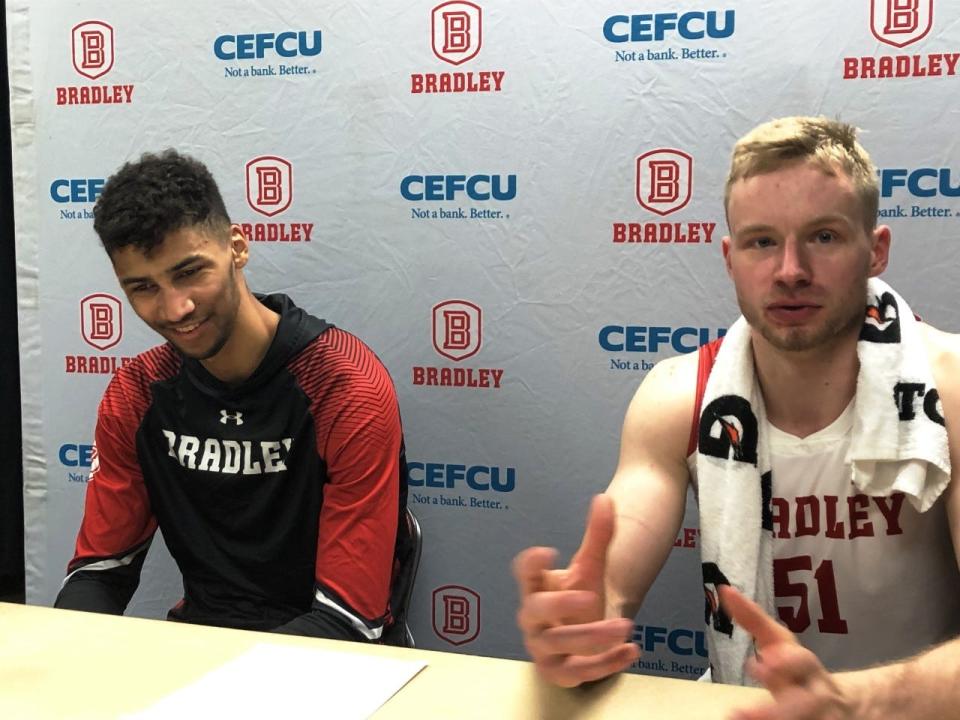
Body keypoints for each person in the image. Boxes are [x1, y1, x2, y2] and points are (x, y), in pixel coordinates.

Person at [514, 117, 960, 718]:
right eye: (761, 242)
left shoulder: (950, 389)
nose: (790, 270)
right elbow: (609, 589)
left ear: (875, 249)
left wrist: (852, 702)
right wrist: (581, 624)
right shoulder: (680, 397)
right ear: (730, 258)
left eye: (824, 237)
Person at [55, 150, 409, 644]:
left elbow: (349, 618)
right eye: (142, 287)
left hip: (336, 658)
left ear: (238, 247)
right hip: (203, 644)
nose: (175, 308)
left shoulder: (344, 387)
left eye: (189, 272)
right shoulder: (137, 393)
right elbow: (99, 573)